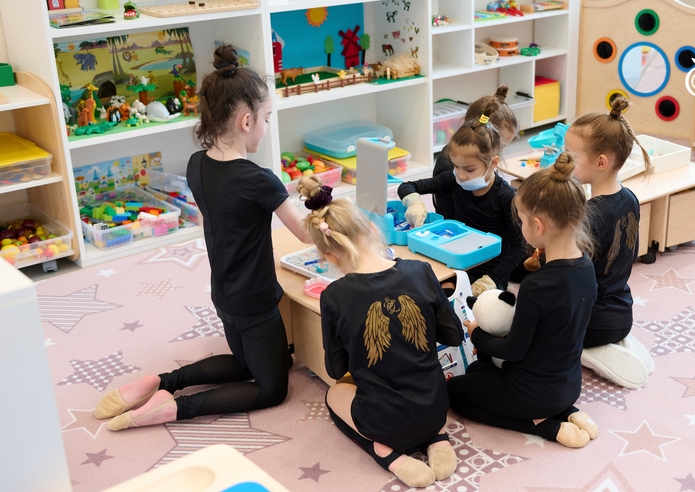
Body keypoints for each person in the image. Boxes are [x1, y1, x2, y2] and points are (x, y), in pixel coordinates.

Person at [94, 44, 312, 431]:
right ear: (246, 122)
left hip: (224, 296)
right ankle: (175, 408)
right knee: (272, 387)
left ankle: (161, 382)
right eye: (267, 118)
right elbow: (305, 232)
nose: (266, 126)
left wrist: (283, 191)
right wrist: (327, 210)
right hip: (256, 300)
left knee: (248, 362)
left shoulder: (198, 165)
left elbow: (238, 205)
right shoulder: (259, 179)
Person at [297, 175, 464, 487]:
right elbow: (454, 335)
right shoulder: (421, 271)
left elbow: (337, 368)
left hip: (382, 421)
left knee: (334, 394)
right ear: (373, 229)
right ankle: (438, 438)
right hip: (435, 407)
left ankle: (388, 455)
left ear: (329, 256)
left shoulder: (335, 295)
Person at [446, 151, 599, 448]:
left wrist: (476, 333)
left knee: (455, 394)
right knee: (478, 371)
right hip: (568, 385)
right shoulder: (586, 265)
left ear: (538, 226)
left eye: (522, 220)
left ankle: (545, 427)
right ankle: (567, 411)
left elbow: (514, 349)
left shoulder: (537, 285)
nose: (522, 227)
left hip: (531, 393)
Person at [564, 96, 654, 389]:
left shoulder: (589, 214)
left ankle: (592, 353)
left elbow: (570, 272)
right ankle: (617, 341)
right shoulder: (629, 197)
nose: (563, 159)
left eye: (570, 155)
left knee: (536, 327)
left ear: (601, 162)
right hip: (621, 310)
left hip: (592, 322)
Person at [398, 114, 527, 297]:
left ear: (493, 163)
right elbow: (407, 186)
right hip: (454, 261)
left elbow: (519, 247)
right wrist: (414, 203)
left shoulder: (506, 197)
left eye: (469, 169)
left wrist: (492, 278)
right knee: (426, 293)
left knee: (485, 309)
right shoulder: (453, 179)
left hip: (490, 269)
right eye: (456, 166)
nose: (461, 175)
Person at [432, 86, 519, 219]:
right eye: (499, 146)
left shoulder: (480, 160)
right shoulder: (448, 166)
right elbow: (450, 219)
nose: (500, 153)